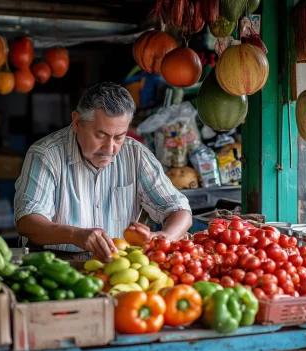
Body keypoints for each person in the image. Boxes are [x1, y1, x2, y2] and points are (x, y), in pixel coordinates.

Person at [14, 82, 192, 262]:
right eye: (100, 135)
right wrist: (75, 235)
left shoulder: (136, 154)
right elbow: (27, 222)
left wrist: (165, 237)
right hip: (55, 262)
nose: (110, 148)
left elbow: (179, 209)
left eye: (119, 137)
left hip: (117, 263)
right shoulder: (46, 155)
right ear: (77, 122)